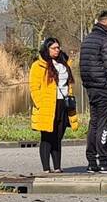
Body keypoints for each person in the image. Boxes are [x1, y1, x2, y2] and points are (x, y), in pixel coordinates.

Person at [78, 9, 107, 174]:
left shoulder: (88, 39)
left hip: (91, 88)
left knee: (94, 124)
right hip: (105, 89)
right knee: (104, 126)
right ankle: (104, 162)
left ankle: (92, 162)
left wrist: (88, 85)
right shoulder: (106, 40)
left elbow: (82, 66)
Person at [28, 37, 77, 175]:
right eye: (54, 48)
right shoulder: (38, 65)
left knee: (58, 135)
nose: (57, 50)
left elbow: (68, 83)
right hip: (47, 104)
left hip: (63, 103)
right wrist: (39, 103)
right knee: (47, 136)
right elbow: (34, 86)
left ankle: (57, 166)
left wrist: (70, 96)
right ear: (47, 49)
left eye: (58, 47)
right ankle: (46, 168)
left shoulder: (64, 62)